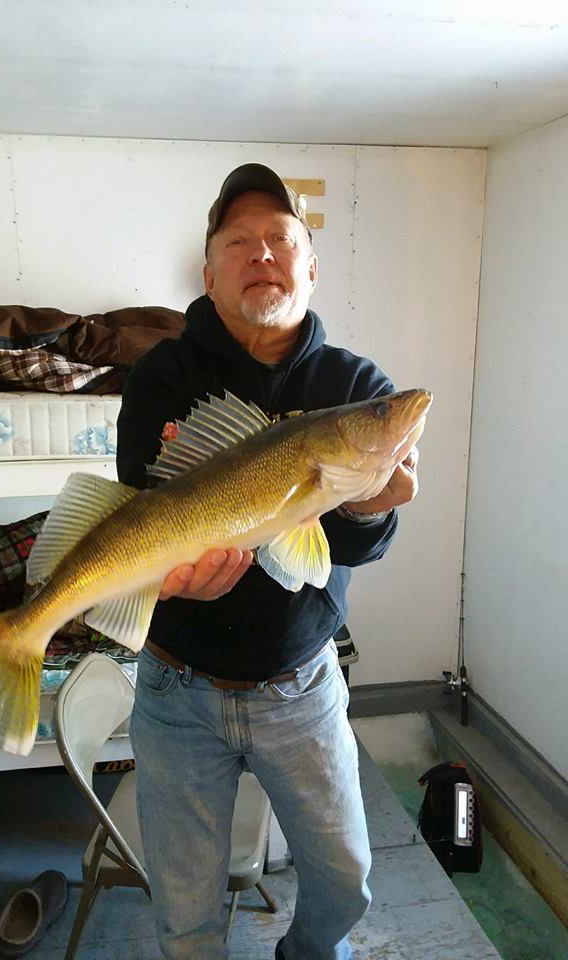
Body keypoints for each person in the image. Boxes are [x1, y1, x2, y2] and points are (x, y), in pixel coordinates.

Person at [116, 163, 421, 960]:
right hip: (176, 686)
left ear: (310, 267)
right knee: (186, 919)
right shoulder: (161, 377)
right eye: (238, 242)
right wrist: (164, 581)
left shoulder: (354, 386)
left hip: (302, 685)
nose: (262, 255)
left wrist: (363, 504)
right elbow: (138, 518)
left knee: (346, 882)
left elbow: (357, 549)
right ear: (209, 271)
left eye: (280, 239)